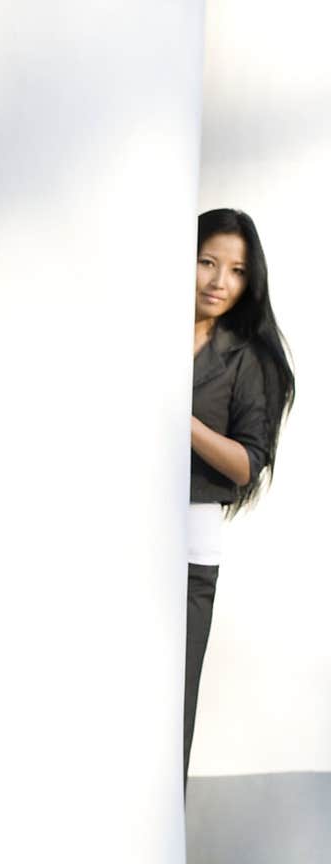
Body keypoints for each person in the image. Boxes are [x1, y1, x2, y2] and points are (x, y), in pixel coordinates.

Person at [185, 208, 294, 788]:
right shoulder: (145, 332)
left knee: (174, 703)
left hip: (190, 550)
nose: (218, 280)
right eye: (206, 261)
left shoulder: (248, 358)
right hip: (119, 539)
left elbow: (248, 463)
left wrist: (181, 419)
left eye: (235, 269)